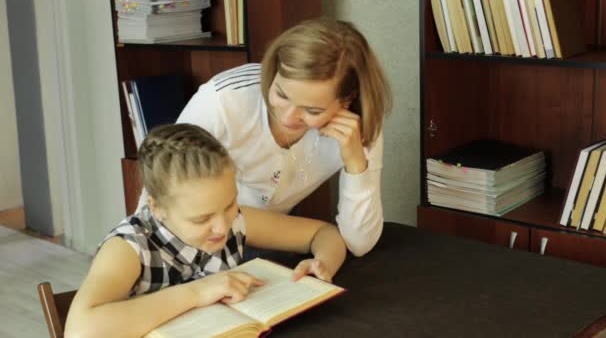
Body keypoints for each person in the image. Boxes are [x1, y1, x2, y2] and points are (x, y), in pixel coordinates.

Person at [65, 123, 346, 337]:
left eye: (229, 204)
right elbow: (80, 330)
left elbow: (323, 234)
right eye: (201, 219)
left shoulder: (235, 220)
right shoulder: (129, 247)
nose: (222, 226)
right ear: (157, 207)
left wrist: (323, 264)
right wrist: (196, 293)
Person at [173, 17, 392, 257]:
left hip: (274, 238)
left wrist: (356, 164)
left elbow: (359, 243)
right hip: (196, 241)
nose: (288, 117)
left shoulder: (358, 126)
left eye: (312, 110)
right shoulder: (224, 100)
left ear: (347, 101)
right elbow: (159, 203)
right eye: (281, 94)